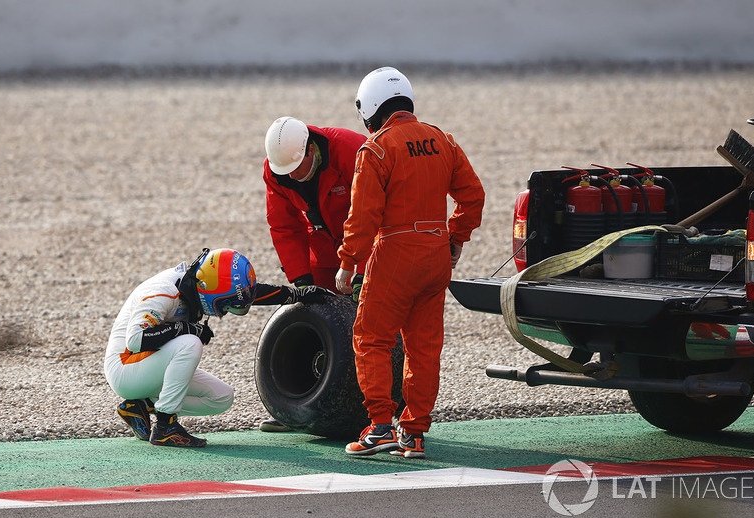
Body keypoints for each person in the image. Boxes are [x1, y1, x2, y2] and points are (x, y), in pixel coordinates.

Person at [335, 67, 485, 458]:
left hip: (395, 254)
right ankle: (414, 432)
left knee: (372, 339)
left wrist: (348, 262)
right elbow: (473, 197)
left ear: (370, 108)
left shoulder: (377, 149)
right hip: (436, 254)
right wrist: (455, 238)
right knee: (423, 347)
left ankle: (381, 427)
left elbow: (362, 216)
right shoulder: (442, 140)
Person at [104, 248, 331, 447]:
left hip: (146, 363)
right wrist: (187, 329)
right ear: (208, 290)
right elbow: (136, 340)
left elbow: (248, 294)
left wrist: (296, 294)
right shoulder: (163, 293)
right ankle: (165, 426)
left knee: (222, 397)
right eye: (225, 304)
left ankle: (141, 405)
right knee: (190, 343)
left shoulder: (199, 284)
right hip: (125, 367)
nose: (225, 311)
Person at [259, 116, 369, 432]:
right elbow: (284, 226)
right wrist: (301, 281)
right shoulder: (275, 170)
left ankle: (381, 413)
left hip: (368, 244)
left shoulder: (351, 150)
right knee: (314, 319)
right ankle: (302, 414)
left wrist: (361, 269)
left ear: (311, 150)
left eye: (297, 167)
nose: (292, 176)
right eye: (285, 171)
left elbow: (380, 212)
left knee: (375, 325)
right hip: (323, 250)